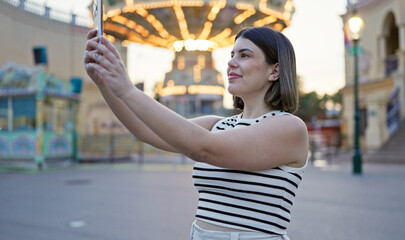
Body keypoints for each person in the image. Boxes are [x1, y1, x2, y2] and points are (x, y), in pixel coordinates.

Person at [84, 26, 309, 240]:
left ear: (275, 70)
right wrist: (105, 82)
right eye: (232, 54)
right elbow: (145, 130)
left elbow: (205, 148)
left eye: (244, 55)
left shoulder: (289, 127)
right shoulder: (218, 125)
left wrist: (128, 89)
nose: (231, 63)